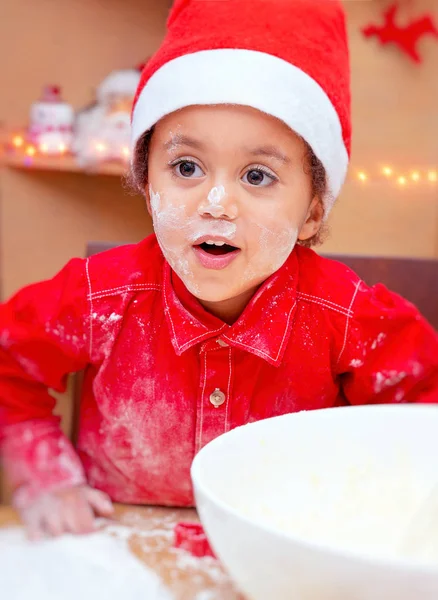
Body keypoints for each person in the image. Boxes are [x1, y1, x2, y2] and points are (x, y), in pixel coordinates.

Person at [1, 0, 437, 539]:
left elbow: (423, 411)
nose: (216, 202)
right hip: (116, 546)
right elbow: (9, 363)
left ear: (312, 212)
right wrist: (46, 480)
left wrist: (376, 502)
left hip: (286, 547)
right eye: (186, 167)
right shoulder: (97, 297)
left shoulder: (347, 316)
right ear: (146, 182)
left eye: (257, 176)